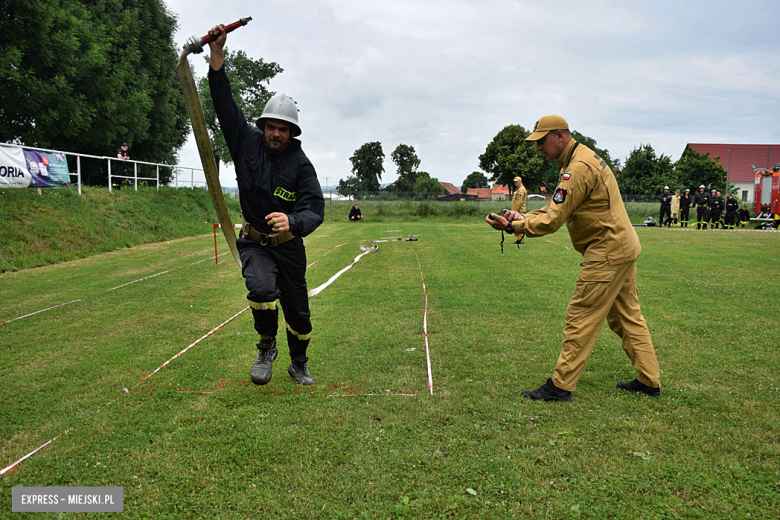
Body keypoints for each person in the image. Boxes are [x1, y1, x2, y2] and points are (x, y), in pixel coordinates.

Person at [486, 115, 661, 402]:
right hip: (621, 248)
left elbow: (553, 220)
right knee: (627, 318)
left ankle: (561, 386)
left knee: (581, 317)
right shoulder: (578, 160)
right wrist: (525, 217)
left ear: (559, 135)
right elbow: (558, 207)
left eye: (541, 141)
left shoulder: (577, 168)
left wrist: (512, 226)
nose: (538, 148)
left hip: (606, 252)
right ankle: (649, 380)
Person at [207, 24, 325, 386]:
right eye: (271, 126)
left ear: (292, 133)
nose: (275, 133)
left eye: (283, 129)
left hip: (289, 248)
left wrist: (293, 220)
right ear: (263, 125)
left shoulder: (302, 165)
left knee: (299, 314)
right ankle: (265, 346)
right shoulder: (245, 142)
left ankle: (299, 362)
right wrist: (217, 57)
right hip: (254, 242)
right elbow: (226, 106)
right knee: (260, 289)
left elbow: (316, 209)